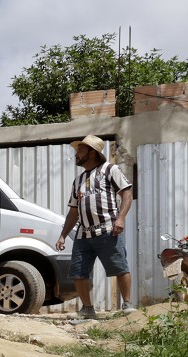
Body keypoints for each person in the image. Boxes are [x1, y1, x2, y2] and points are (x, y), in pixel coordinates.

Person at [56, 134, 134, 319]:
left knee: (120, 267)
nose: (76, 154)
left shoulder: (110, 170)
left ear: (92, 153)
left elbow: (127, 194)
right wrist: (62, 235)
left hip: (108, 230)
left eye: (80, 150)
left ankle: (128, 305)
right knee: (78, 272)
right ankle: (88, 309)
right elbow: (73, 212)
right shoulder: (78, 181)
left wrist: (120, 219)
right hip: (83, 235)